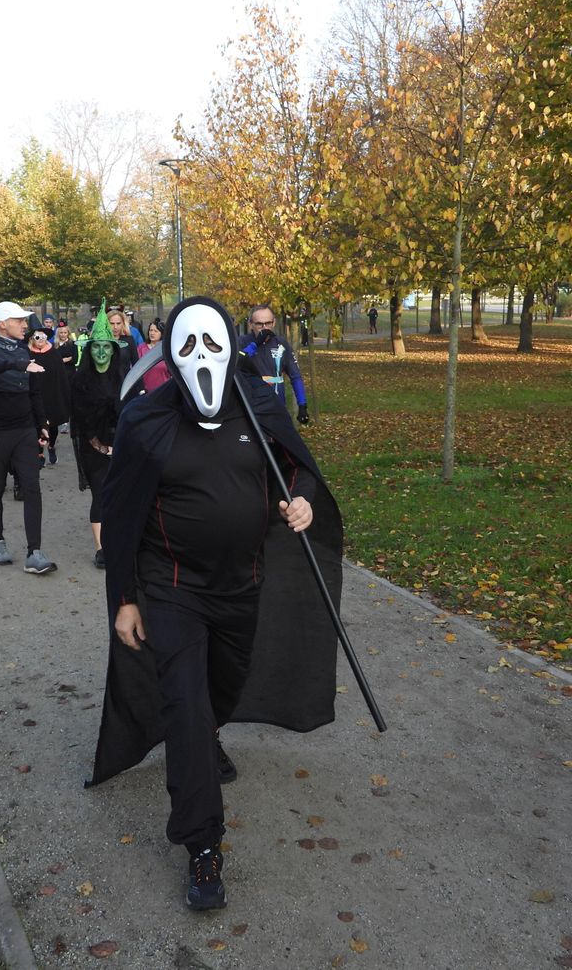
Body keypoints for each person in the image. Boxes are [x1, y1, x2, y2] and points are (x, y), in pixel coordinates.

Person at [87, 296, 345, 912]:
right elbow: (121, 517)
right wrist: (125, 599)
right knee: (184, 703)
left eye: (212, 344)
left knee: (222, 688)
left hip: (241, 584)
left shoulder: (258, 407)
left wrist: (302, 500)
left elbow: (297, 469)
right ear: (169, 356)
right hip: (172, 587)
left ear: (231, 346)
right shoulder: (146, 421)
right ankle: (202, 844)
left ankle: (209, 731)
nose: (202, 357)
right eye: (188, 346)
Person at [0, 301, 56, 574]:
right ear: (3, 323)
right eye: (20, 321)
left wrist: (42, 424)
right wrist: (13, 363)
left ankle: (35, 553)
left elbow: (34, 392)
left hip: (24, 430)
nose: (25, 325)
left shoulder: (22, 351)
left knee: (32, 487)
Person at [70, 311, 122, 569]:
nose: (101, 352)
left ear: (113, 351)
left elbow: (132, 413)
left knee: (122, 496)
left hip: (122, 447)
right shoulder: (80, 380)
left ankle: (122, 542)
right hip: (93, 448)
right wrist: (102, 447)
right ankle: (102, 549)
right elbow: (80, 419)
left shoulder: (123, 378)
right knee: (101, 495)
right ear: (89, 351)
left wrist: (120, 445)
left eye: (106, 347)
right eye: (96, 347)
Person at [239, 304, 310, 425]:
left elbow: (295, 376)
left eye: (268, 323)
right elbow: (237, 362)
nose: (264, 328)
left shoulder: (281, 344)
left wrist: (302, 405)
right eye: (259, 324)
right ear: (250, 324)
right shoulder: (242, 342)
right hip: (252, 406)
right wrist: (256, 343)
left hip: (277, 405)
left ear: (274, 322)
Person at [27, 327, 69, 467]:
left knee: (53, 425)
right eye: (38, 337)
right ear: (32, 338)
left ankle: (51, 446)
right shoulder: (26, 353)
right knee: (37, 424)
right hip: (34, 395)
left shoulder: (54, 353)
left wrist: (64, 395)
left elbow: (62, 376)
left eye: (44, 337)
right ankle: (39, 452)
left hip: (52, 394)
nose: (41, 340)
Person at [134, 317, 170, 392]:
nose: (152, 333)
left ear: (162, 333)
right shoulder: (141, 349)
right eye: (151, 330)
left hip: (164, 390)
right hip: (145, 392)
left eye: (155, 331)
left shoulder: (166, 349)